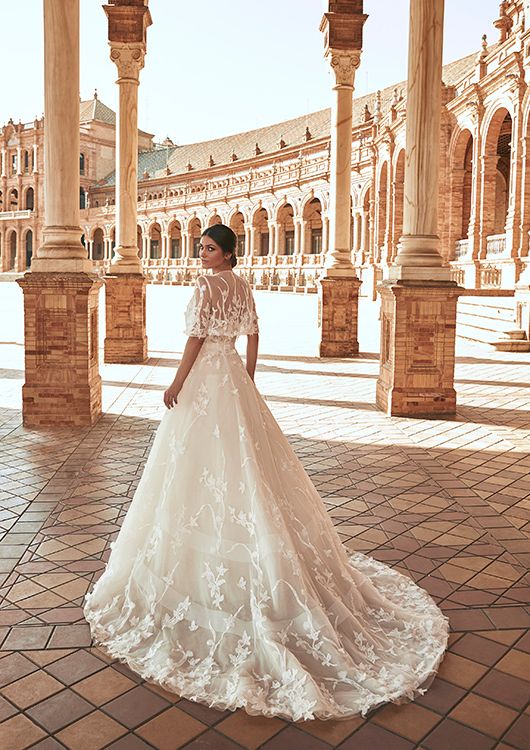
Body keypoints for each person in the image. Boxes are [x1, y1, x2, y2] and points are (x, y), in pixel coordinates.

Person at [83, 223, 448, 722]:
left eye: (210, 248)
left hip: (207, 382)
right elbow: (253, 333)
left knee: (195, 473)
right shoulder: (242, 285)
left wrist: (174, 382)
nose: (202, 254)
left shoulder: (208, 286)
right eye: (201, 248)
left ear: (227, 253)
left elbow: (193, 341)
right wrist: (248, 379)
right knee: (249, 468)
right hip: (232, 378)